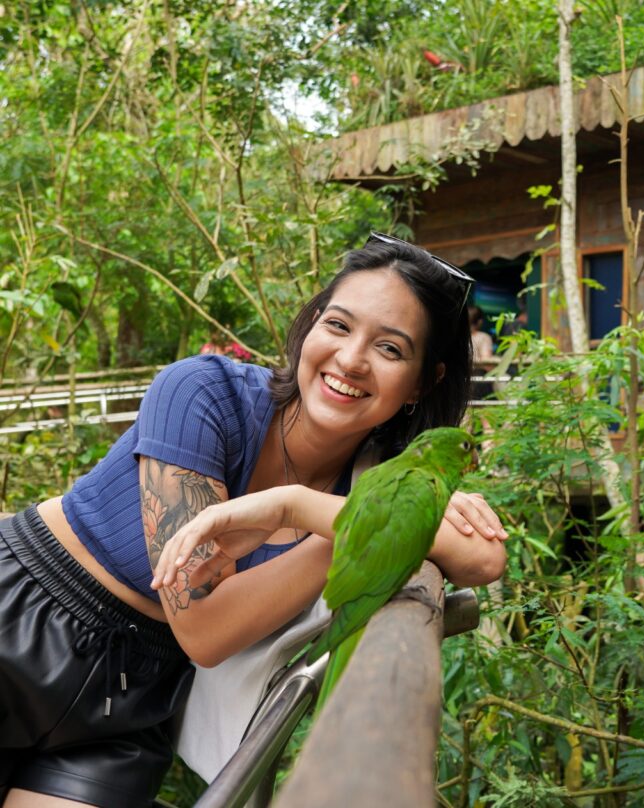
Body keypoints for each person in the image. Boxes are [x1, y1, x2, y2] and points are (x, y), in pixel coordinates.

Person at [0, 232, 508, 808]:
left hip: (133, 700)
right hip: (23, 617)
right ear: (311, 325)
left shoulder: (386, 482)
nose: (350, 359)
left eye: (390, 349)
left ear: (423, 382)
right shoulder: (203, 392)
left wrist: (304, 511)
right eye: (338, 326)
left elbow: (487, 557)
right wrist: (373, 534)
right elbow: (204, 624)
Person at [468, 305, 494, 401]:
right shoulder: (483, 337)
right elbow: (486, 361)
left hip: (460, 381)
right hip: (478, 381)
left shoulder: (457, 339)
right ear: (480, 322)